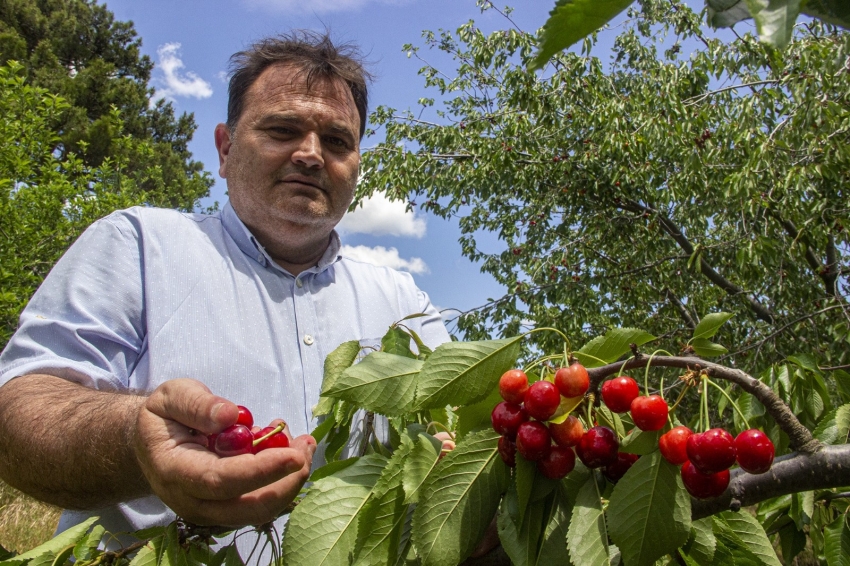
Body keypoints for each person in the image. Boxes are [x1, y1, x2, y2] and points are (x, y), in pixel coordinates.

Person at [0, 31, 450, 551]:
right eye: (282, 130)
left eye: (337, 142)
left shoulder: (401, 300)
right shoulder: (139, 246)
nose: (310, 154)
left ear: (355, 164)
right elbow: (18, 412)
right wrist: (134, 443)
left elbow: (455, 436)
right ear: (225, 147)